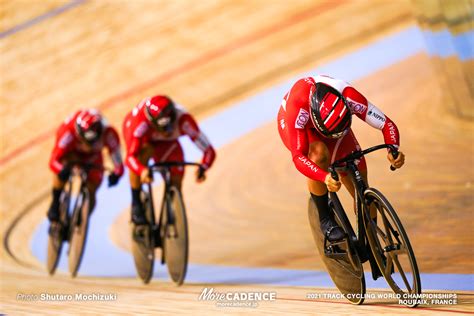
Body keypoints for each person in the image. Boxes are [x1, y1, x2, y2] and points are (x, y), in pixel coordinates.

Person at [277, 75, 405, 242]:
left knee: (362, 192)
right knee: (319, 154)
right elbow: (298, 157)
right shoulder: (297, 107)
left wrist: (393, 148)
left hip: (334, 124)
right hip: (295, 125)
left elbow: (386, 123)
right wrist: (324, 176)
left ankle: (372, 242)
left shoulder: (347, 94)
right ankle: (325, 219)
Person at [122, 95, 216, 225]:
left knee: (176, 179)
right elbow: (130, 157)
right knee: (142, 155)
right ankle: (136, 203)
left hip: (167, 143)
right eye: (163, 128)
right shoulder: (140, 124)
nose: (168, 131)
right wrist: (142, 170)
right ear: (153, 124)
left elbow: (209, 150)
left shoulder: (184, 120)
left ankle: (172, 208)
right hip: (143, 138)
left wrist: (204, 166)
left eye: (170, 125)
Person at [48, 109, 124, 223]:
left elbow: (119, 163)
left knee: (92, 189)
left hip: (94, 157)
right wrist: (61, 170)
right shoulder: (67, 132)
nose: (90, 145)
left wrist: (116, 174)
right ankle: (55, 203)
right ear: (79, 135)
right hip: (72, 154)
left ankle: (80, 222)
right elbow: (54, 160)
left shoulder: (108, 133)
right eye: (87, 142)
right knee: (63, 167)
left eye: (95, 141)